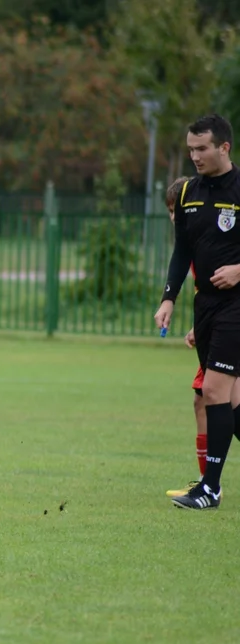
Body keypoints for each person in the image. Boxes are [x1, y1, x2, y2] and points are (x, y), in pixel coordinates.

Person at [155, 114, 240, 509]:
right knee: (232, 405)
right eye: (191, 149)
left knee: (211, 392)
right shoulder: (188, 192)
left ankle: (209, 488)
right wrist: (168, 298)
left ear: (224, 147)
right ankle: (210, 486)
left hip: (237, 307)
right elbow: (182, 253)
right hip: (204, 304)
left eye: (202, 148)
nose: (195, 156)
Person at [161, 176, 207, 497]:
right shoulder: (191, 247)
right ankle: (207, 483)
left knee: (219, 403)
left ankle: (208, 485)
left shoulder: (210, 237)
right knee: (204, 401)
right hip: (215, 324)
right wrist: (198, 326)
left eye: (176, 210)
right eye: (170, 211)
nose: (174, 217)